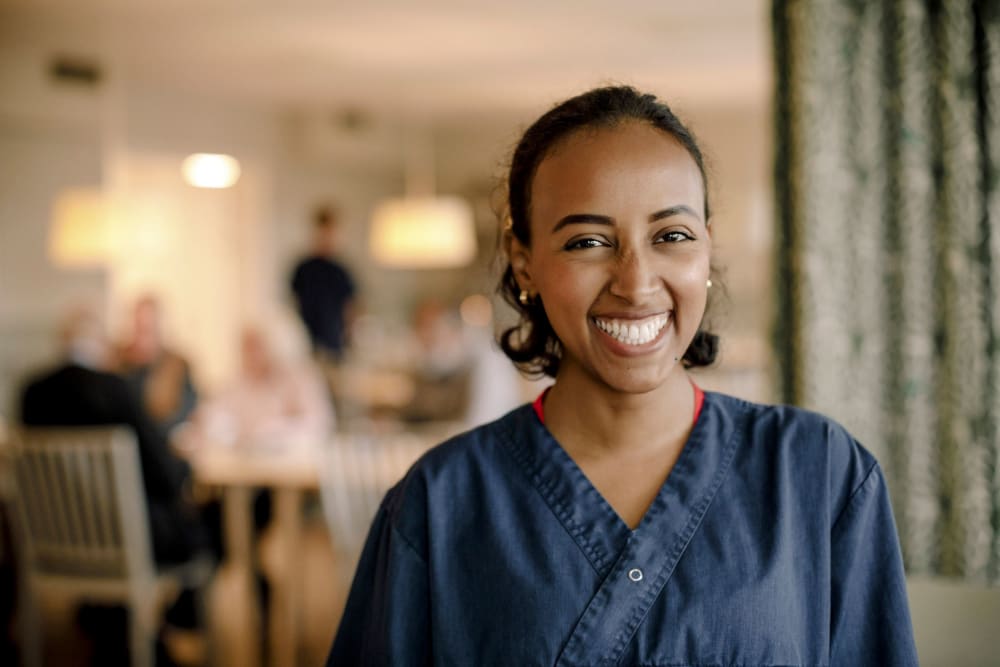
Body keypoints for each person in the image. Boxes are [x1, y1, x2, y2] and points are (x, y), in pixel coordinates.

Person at [327, 87, 918, 666]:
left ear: (706, 248)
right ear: (524, 259)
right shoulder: (438, 502)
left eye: (672, 236)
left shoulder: (821, 473)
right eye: (588, 242)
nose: (635, 283)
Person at [20, 305, 212, 664]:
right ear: (100, 343)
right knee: (194, 525)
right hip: (125, 539)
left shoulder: (31, 391)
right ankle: (167, 634)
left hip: (54, 541)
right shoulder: (114, 388)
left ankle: (116, 632)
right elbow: (162, 471)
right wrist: (182, 469)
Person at [117, 294, 198, 438]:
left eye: (148, 329)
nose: (143, 337)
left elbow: (185, 413)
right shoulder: (118, 363)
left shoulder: (177, 365)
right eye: (139, 328)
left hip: (163, 447)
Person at [290, 205, 358, 361]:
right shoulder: (303, 269)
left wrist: (347, 338)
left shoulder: (341, 271)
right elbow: (294, 304)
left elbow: (351, 309)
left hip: (335, 346)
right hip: (306, 346)